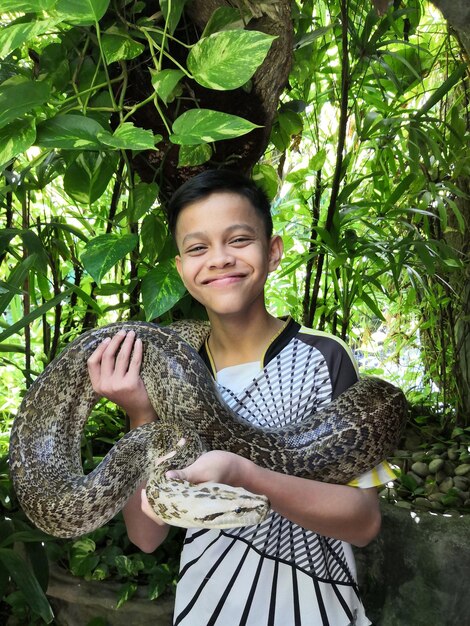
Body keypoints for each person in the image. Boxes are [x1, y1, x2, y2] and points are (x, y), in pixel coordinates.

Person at [87, 170, 395, 626]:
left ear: (273, 252)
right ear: (181, 270)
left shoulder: (323, 357)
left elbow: (364, 523)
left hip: (316, 610)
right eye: (197, 248)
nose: (219, 259)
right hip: (206, 609)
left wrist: (244, 474)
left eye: (238, 240)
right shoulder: (165, 371)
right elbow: (147, 536)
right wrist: (140, 411)